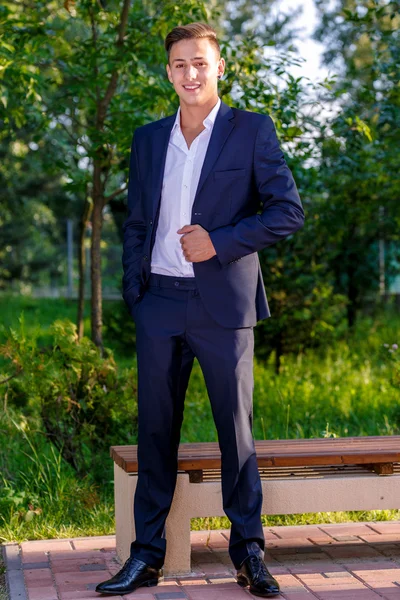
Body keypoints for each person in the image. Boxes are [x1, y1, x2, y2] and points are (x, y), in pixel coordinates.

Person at [96, 21, 304, 598]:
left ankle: (249, 553)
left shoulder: (251, 132)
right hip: (158, 302)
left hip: (222, 307)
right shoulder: (147, 139)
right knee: (154, 432)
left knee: (236, 433)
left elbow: (287, 211)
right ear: (169, 73)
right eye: (181, 64)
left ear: (219, 68)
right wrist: (136, 295)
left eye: (201, 63)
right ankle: (147, 556)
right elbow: (137, 222)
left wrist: (220, 240)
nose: (191, 73)